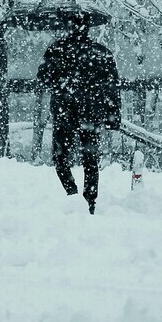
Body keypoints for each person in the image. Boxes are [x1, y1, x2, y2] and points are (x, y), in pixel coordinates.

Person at [36, 17, 121, 214]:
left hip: (64, 113)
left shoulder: (56, 50)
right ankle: (89, 201)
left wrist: (61, 83)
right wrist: (113, 115)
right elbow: (112, 87)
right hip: (91, 115)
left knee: (61, 159)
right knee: (90, 160)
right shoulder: (101, 53)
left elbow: (43, 80)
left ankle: (72, 194)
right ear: (87, 29)